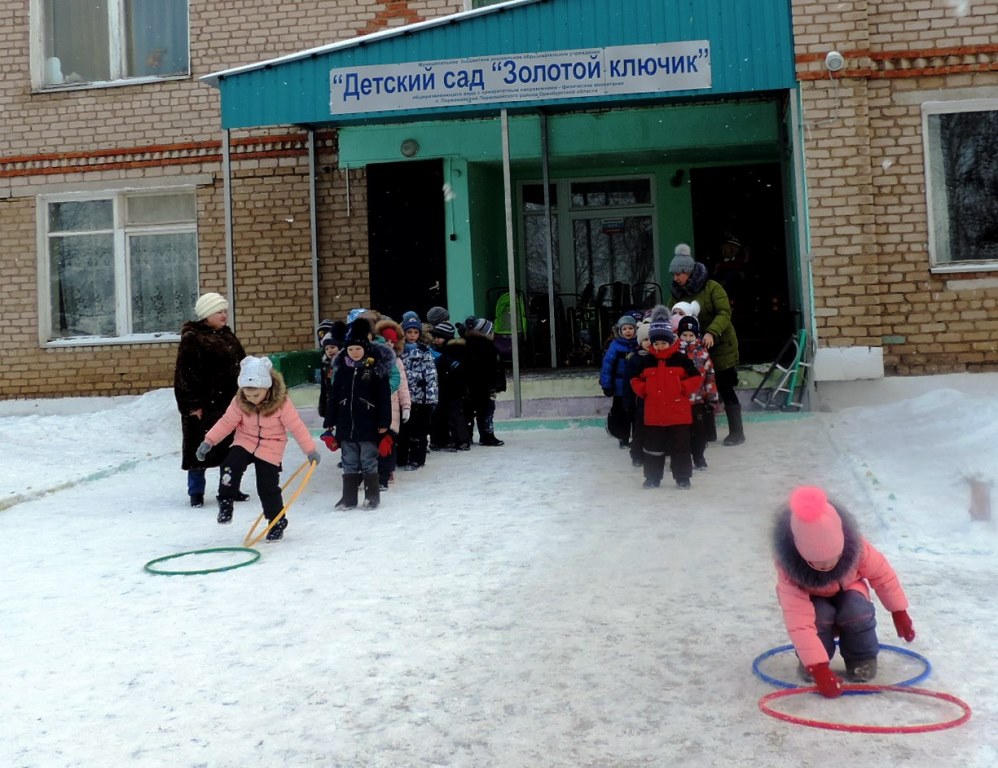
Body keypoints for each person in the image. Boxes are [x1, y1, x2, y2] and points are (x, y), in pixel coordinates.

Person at [773, 486, 917, 697]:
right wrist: (818, 668)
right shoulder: (790, 572)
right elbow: (798, 622)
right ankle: (814, 662)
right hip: (814, 600)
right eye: (816, 562)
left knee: (857, 611)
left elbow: (883, 576)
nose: (825, 566)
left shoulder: (858, 549)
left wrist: (899, 612)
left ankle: (862, 659)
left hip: (851, 589)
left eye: (832, 559)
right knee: (818, 617)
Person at [197, 356, 320, 541]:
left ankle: (277, 521)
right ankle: (226, 502)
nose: (251, 399)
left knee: (267, 487)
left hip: (271, 445)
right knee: (230, 465)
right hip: (245, 440)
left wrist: (310, 450)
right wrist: (209, 441)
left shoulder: (282, 404)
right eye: (247, 395)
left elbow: (296, 427)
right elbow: (227, 422)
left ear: (267, 388)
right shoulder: (239, 402)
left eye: (256, 395)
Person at [174, 291, 246, 508]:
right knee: (199, 450)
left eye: (225, 311)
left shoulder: (227, 336)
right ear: (206, 314)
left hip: (228, 404)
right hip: (204, 406)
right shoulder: (193, 338)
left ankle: (229, 488)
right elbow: (184, 374)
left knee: (230, 450)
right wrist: (191, 405)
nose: (224, 315)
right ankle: (196, 493)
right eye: (218, 311)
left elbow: (241, 365)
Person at [668, 243, 745, 446]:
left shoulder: (712, 288)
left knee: (724, 386)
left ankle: (737, 432)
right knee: (701, 390)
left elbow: (724, 312)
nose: (675, 278)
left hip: (720, 346)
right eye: (674, 275)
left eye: (678, 274)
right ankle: (708, 432)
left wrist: (711, 331)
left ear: (688, 272)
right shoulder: (677, 294)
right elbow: (671, 317)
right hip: (693, 350)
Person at [629, 306, 702, 489]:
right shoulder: (646, 361)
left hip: (678, 414)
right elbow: (634, 380)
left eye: (664, 343)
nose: (660, 346)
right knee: (653, 449)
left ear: (671, 341)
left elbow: (696, 377)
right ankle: (652, 478)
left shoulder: (681, 359)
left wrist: (682, 388)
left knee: (680, 449)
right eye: (656, 343)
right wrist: (644, 390)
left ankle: (683, 477)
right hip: (654, 416)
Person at [324, 318, 393, 510]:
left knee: (368, 461)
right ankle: (349, 498)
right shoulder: (343, 370)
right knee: (349, 461)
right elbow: (334, 396)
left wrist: (384, 421)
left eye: (358, 349)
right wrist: (330, 420)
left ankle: (372, 496)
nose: (354, 353)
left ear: (366, 349)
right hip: (346, 425)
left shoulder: (374, 369)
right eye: (351, 349)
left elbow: (383, 397)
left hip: (368, 424)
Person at [677, 315, 720, 470]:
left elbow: (710, 377)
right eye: (684, 335)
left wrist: (712, 398)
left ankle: (699, 457)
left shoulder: (703, 354)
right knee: (681, 433)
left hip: (698, 401)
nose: (688, 338)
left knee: (699, 433)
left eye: (691, 335)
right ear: (678, 335)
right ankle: (682, 459)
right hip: (679, 402)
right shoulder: (675, 354)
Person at [398, 312, 439, 470]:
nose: (412, 335)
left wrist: (431, 398)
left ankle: (417, 458)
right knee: (403, 431)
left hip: (420, 398)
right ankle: (402, 457)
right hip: (404, 397)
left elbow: (431, 375)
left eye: (415, 332)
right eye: (409, 332)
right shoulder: (399, 351)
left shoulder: (424, 351)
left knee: (418, 431)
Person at [374, 319, 411, 490]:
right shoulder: (372, 361)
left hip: (392, 408)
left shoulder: (396, 362)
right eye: (385, 340)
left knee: (387, 442)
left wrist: (406, 406)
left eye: (392, 341)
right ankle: (373, 472)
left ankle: (387, 471)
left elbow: (403, 386)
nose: (389, 344)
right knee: (373, 442)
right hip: (375, 408)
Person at [462, 317, 506, 447]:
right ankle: (487, 436)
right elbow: (494, 370)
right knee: (486, 412)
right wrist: (497, 385)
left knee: (469, 413)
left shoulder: (467, 346)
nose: (493, 334)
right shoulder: (489, 349)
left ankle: (467, 436)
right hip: (485, 387)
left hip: (471, 387)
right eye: (491, 332)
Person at [428, 320, 470, 451]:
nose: (435, 340)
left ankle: (461, 441)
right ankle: (440, 440)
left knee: (455, 416)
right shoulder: (437, 351)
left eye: (438, 338)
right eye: (434, 338)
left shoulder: (453, 351)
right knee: (439, 415)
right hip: (441, 389)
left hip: (453, 390)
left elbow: (458, 372)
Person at [600, 314, 639, 448]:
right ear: (619, 331)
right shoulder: (615, 347)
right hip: (620, 388)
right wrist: (607, 385)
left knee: (635, 414)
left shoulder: (638, 345)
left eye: (630, 328)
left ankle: (636, 438)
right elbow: (607, 367)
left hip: (635, 387)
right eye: (624, 329)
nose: (628, 331)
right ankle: (623, 438)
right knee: (621, 414)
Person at [624, 319, 652, 468]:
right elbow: (628, 383)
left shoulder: (658, 358)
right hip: (640, 401)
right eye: (645, 339)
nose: (648, 343)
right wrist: (628, 402)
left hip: (655, 400)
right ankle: (637, 454)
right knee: (639, 429)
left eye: (651, 339)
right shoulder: (635, 359)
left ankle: (653, 452)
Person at [317, 321, 346, 421]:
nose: (330, 350)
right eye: (327, 348)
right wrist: (323, 406)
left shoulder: (346, 362)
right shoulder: (326, 365)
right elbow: (324, 387)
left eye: (333, 347)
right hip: (332, 402)